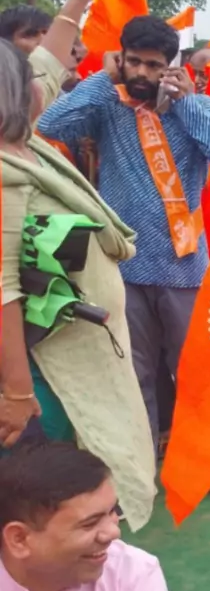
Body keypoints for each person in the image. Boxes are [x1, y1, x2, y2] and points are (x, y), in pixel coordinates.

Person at [37, 15, 210, 499]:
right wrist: (104, 77)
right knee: (131, 376)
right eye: (133, 61)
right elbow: (49, 123)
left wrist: (188, 105)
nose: (142, 72)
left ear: (170, 66)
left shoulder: (198, 107)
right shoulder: (108, 105)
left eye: (153, 65)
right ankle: (135, 471)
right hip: (120, 267)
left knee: (195, 373)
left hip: (182, 266)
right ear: (121, 56)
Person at [0, 38, 157, 528]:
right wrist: (18, 395)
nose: (43, 79)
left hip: (75, 354)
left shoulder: (28, 150)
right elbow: (2, 290)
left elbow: (47, 63)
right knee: (41, 502)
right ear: (14, 92)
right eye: (30, 77)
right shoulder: (6, 172)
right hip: (43, 369)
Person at [0, 443, 174, 591]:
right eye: (89, 524)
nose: (113, 532)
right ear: (19, 539)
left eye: (112, 511)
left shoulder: (130, 572)